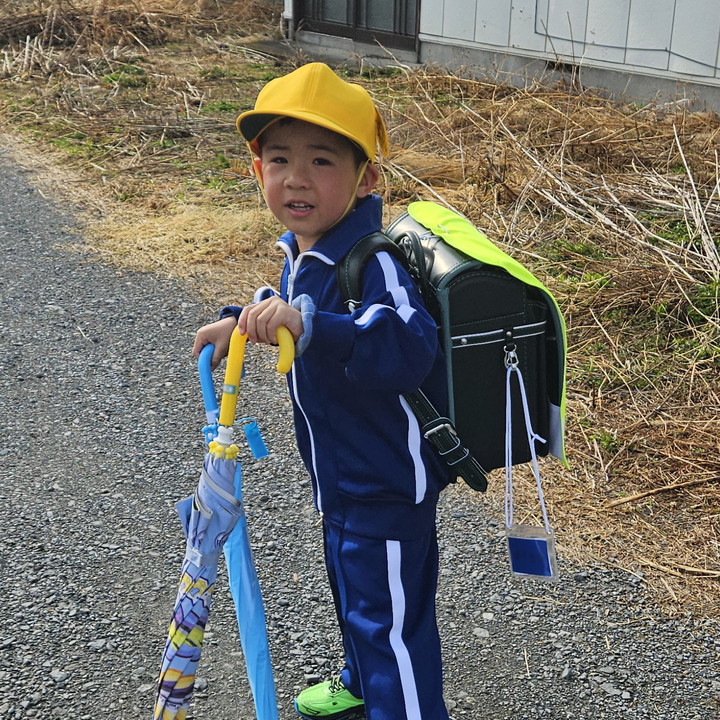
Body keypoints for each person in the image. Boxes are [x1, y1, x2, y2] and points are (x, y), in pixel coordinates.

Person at [192, 62, 452, 720]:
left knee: (390, 630)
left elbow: (406, 343)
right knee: (358, 600)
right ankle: (361, 686)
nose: (297, 178)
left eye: (322, 161)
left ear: (367, 178)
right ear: (257, 171)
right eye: (280, 159)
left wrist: (311, 326)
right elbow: (291, 310)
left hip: (384, 486)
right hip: (340, 480)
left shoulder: (371, 258)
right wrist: (242, 321)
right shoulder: (306, 250)